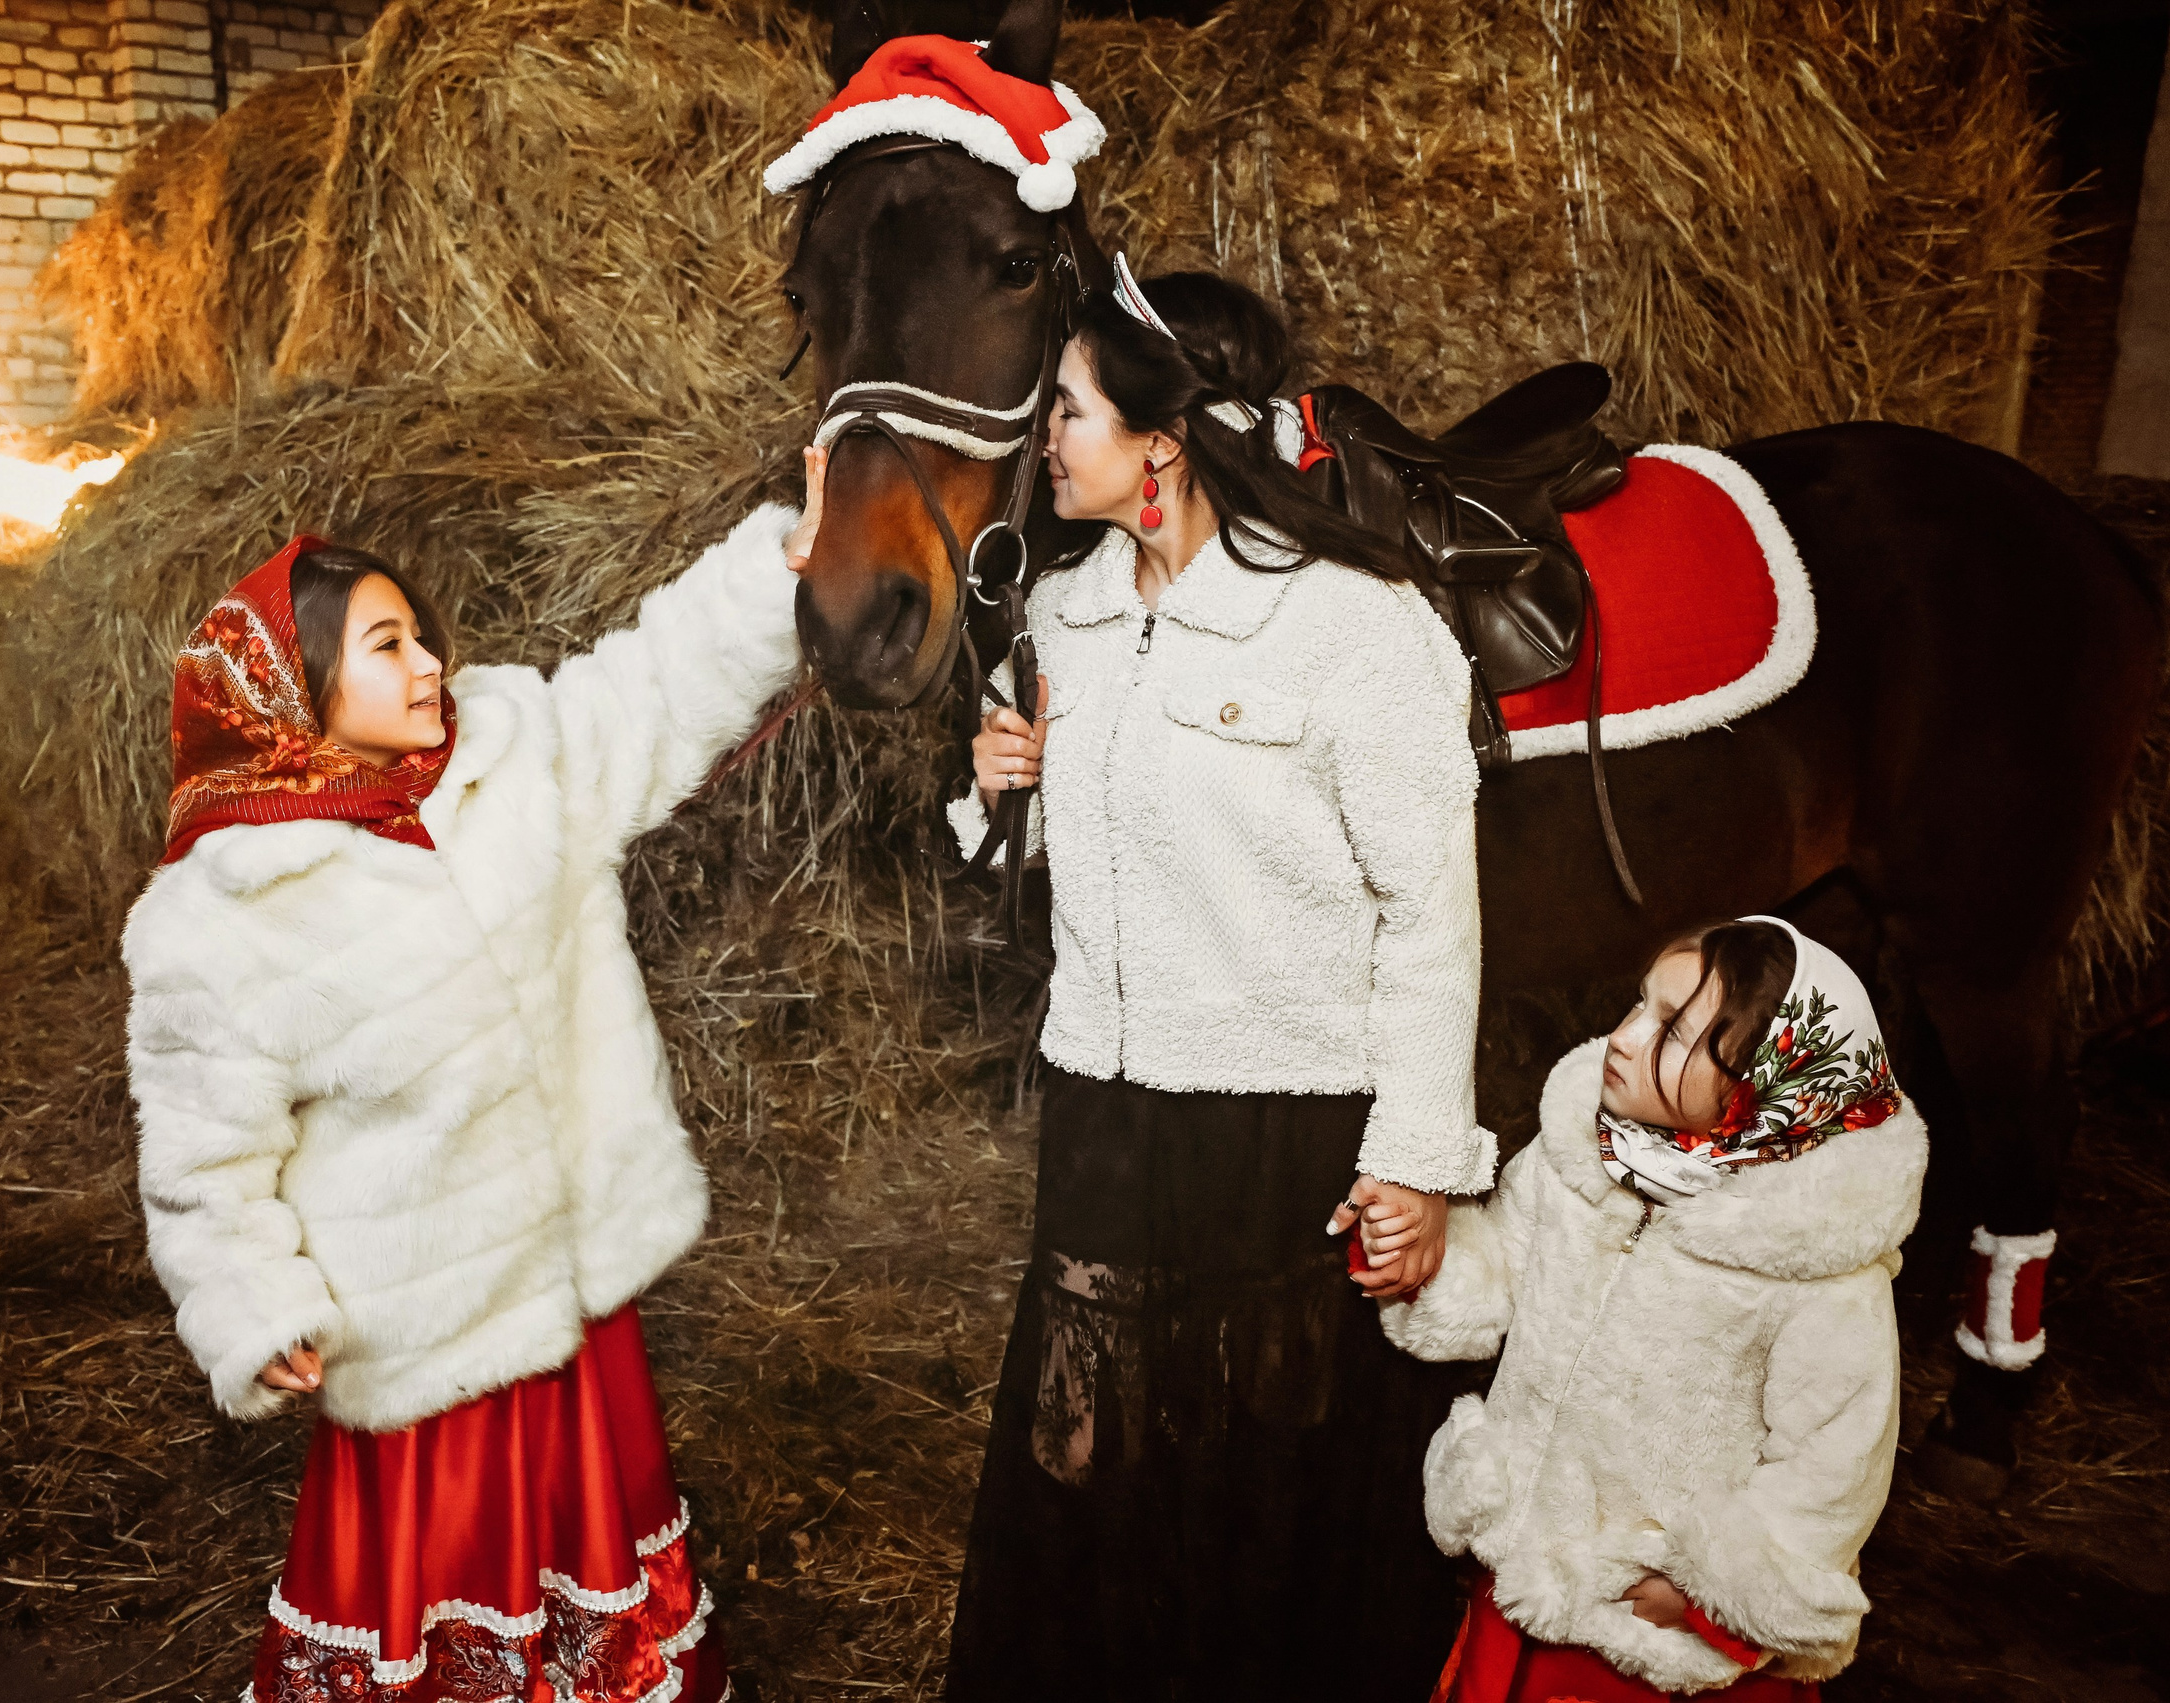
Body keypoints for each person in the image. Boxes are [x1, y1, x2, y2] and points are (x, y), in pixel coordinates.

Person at [121, 456, 828, 1703]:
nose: (430, 666)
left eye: (425, 636)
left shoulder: (514, 764)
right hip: (422, 1329)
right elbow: (200, 1152)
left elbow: (654, 687)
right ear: (297, 686)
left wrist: (793, 557)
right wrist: (251, 1301)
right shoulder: (224, 916)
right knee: (440, 1596)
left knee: (589, 1554)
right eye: (386, 646)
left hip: (572, 1292)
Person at [942, 262, 1492, 1698]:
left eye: (1065, 408)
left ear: (1160, 443)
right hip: (1108, 1120)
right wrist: (999, 788)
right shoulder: (1061, 610)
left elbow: (1431, 914)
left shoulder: (1356, 627)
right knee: (1094, 1457)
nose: (1042, 435)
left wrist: (1419, 1160)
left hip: (1284, 1130)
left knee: (1264, 1469)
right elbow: (1084, 837)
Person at [1374, 916, 1922, 1701]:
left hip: (1649, 1631)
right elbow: (1498, 1264)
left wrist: (1715, 1595)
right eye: (1640, 1004)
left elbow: (1833, 1462)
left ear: (1773, 1078)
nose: (1626, 1037)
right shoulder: (1583, 1163)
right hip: (1526, 1573)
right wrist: (1416, 1256)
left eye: (1674, 1032)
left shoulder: (1817, 1270)